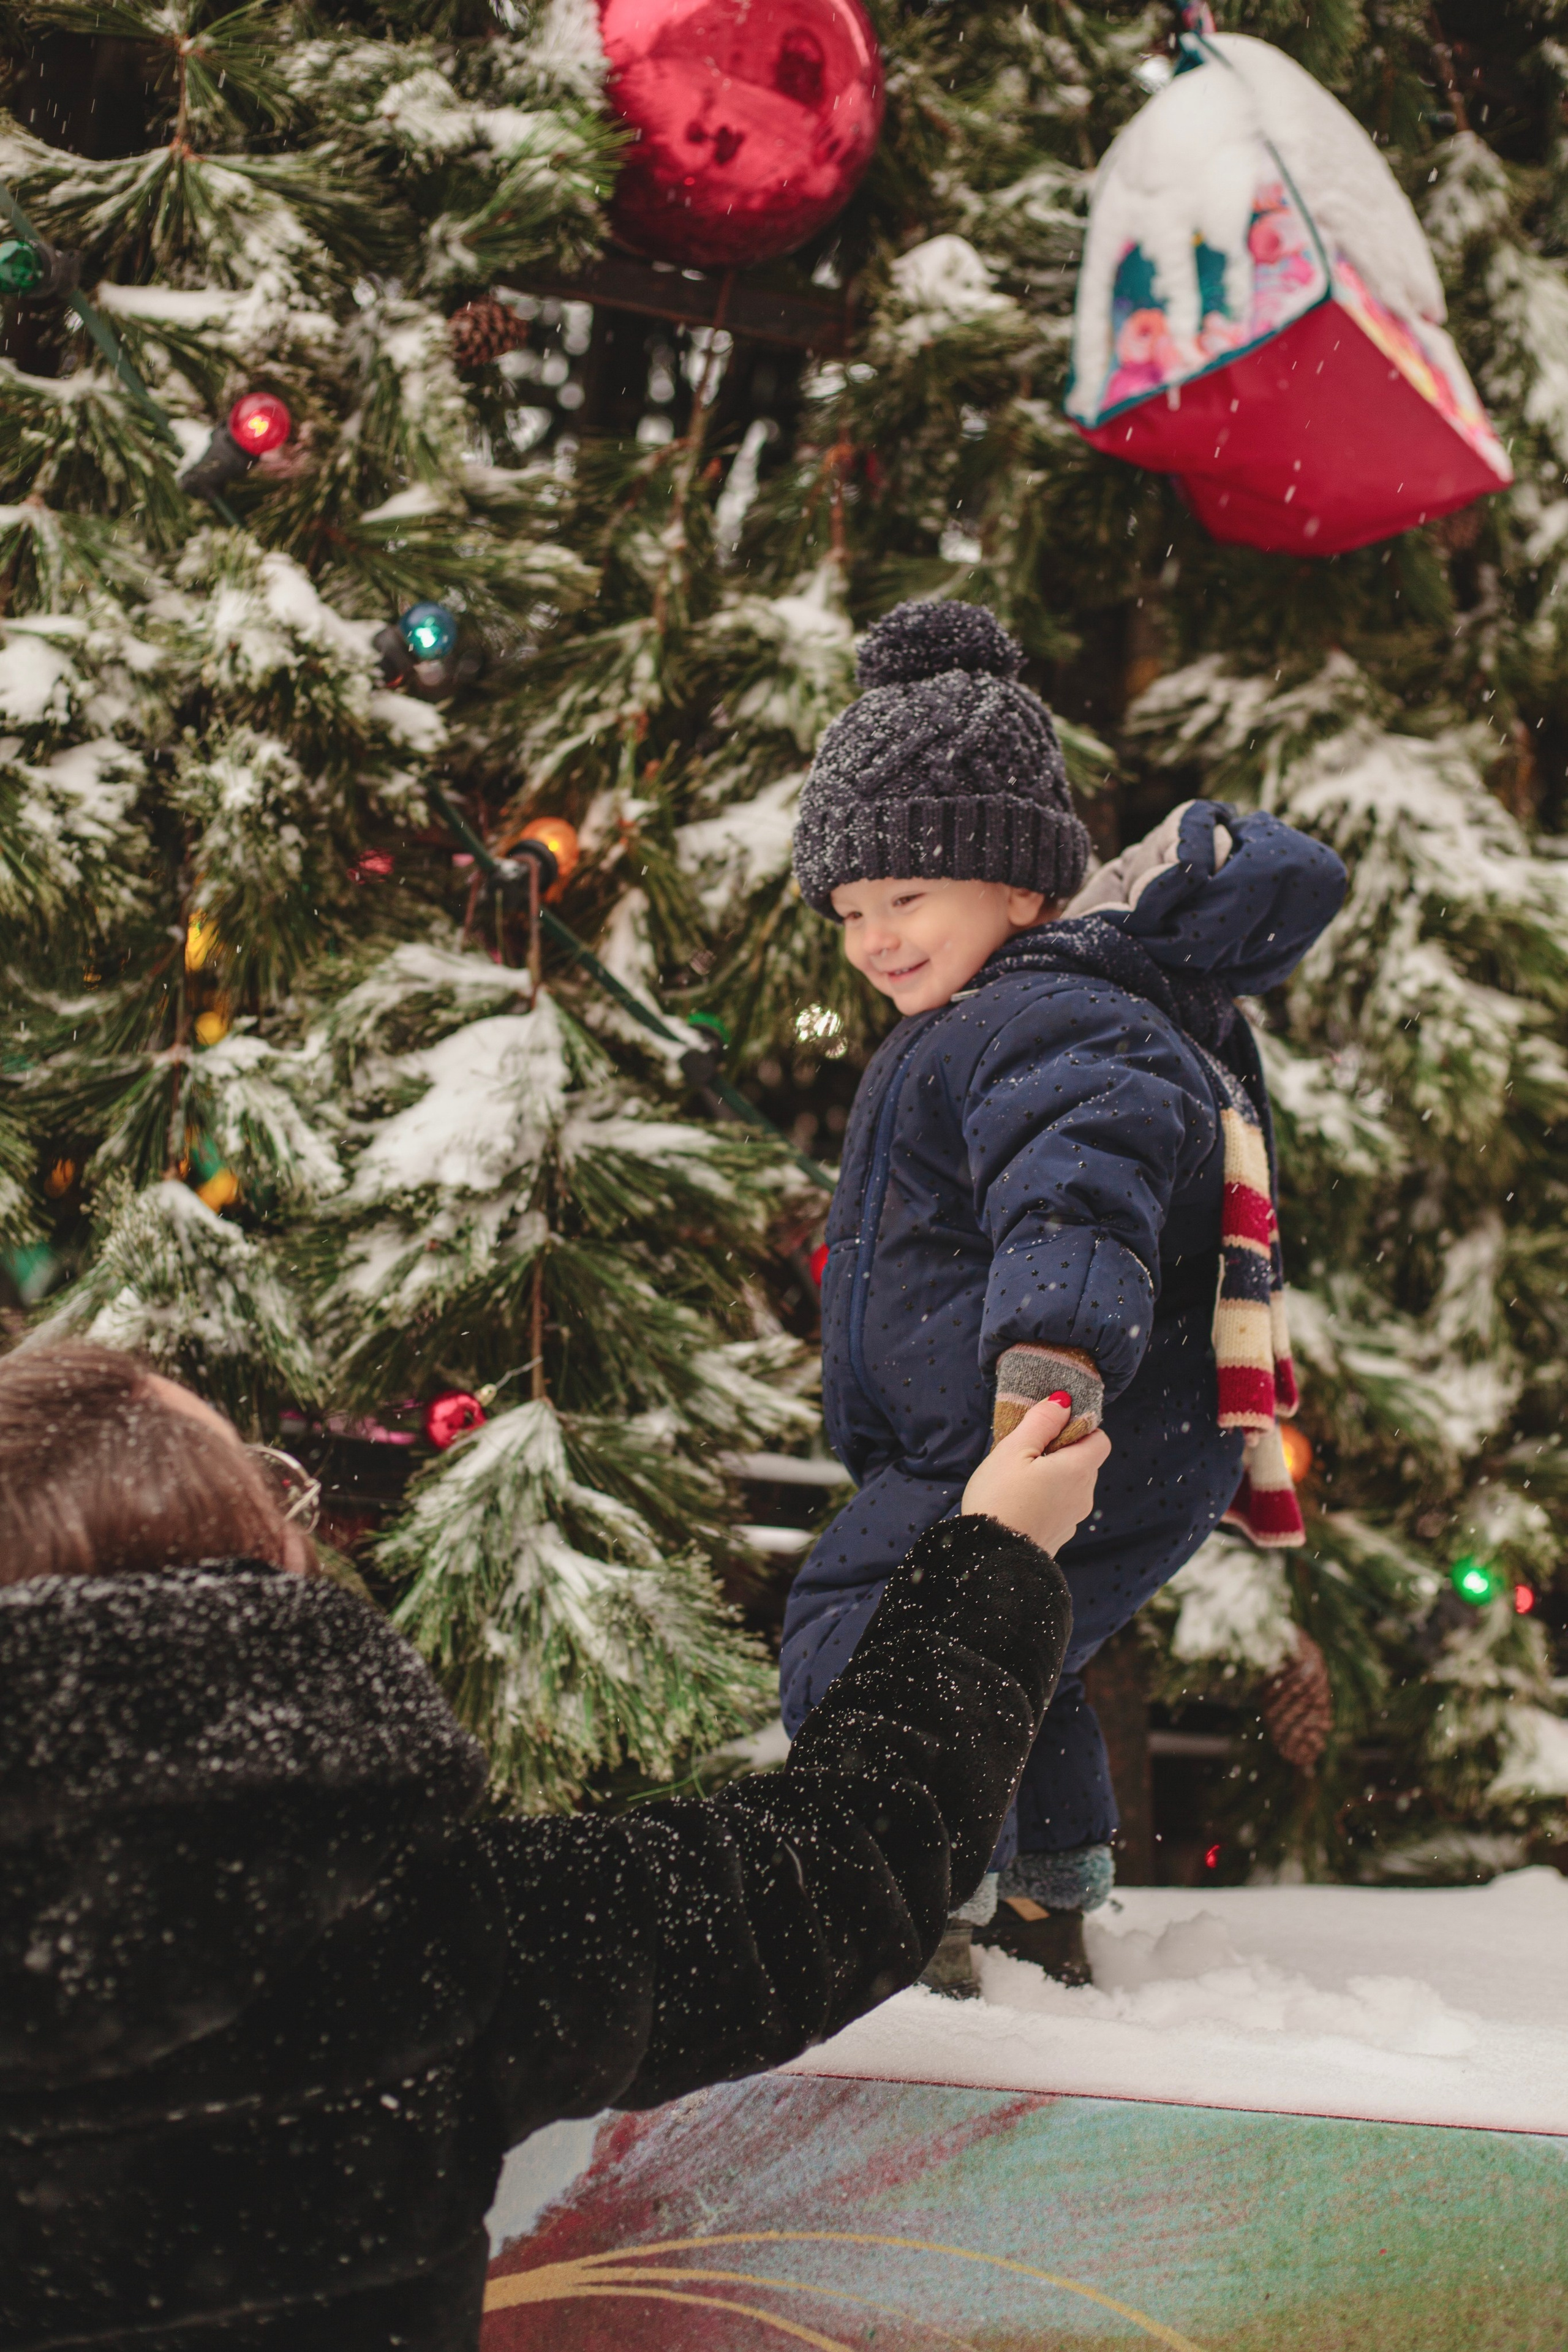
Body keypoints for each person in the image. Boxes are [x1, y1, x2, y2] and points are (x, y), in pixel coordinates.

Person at [0, 1340, 1104, 2352]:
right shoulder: (417, 1936)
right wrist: (997, 1553)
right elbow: (844, 1863)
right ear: (231, 1576)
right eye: (267, 1488)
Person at [783, 597, 1348, 1986]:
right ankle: (1042, 1901)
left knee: (864, 1634)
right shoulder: (998, 1016)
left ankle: (899, 1898)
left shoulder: (1051, 1018)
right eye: (851, 909)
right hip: (1050, 1434)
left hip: (1058, 1422)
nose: (873, 937)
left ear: (1022, 883)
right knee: (1003, 1649)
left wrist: (1050, 1362)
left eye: (906, 897)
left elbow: (1079, 1196)